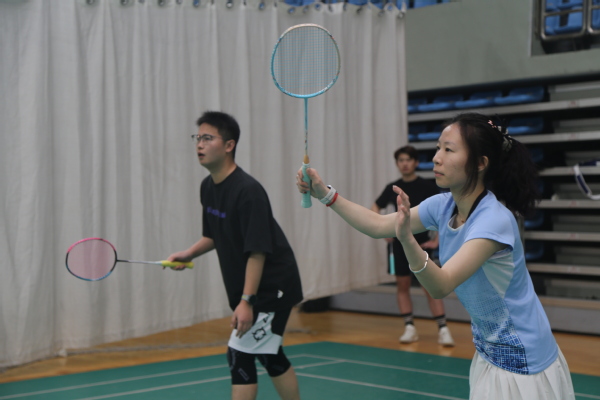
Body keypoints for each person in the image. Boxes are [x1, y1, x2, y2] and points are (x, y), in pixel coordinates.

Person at [296, 112, 575, 400]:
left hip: (523, 362)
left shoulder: (493, 221)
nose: (436, 158)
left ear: (480, 163)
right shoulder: (443, 206)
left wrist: (407, 239)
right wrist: (325, 194)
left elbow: (440, 285)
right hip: (490, 352)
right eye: (438, 147)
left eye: (449, 150)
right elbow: (378, 225)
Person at [169, 111, 303, 400]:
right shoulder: (208, 187)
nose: (199, 145)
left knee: (239, 354)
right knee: (269, 355)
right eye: (197, 138)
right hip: (254, 288)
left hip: (272, 287)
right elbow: (214, 234)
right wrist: (189, 253)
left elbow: (258, 250)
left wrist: (246, 301)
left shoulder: (248, 192)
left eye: (208, 138)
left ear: (229, 145)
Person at [372, 145, 454, 346]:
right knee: (402, 285)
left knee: (431, 287)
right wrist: (384, 231)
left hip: (423, 246)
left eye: (408, 160)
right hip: (399, 246)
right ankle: (409, 327)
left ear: (416, 162)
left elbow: (445, 214)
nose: (405, 164)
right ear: (397, 164)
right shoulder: (392, 187)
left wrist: (437, 240)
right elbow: (375, 207)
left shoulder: (428, 186)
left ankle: (443, 329)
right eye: (401, 160)